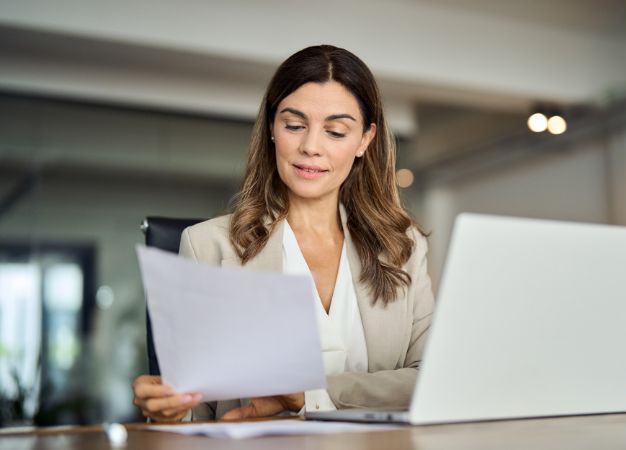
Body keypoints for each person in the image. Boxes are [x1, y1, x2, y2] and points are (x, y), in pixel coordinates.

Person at [131, 44, 435, 422]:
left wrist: (308, 394)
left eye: (336, 132)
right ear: (272, 128)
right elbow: (198, 414)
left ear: (365, 140)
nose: (310, 147)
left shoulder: (403, 247)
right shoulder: (207, 244)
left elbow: (429, 382)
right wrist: (167, 413)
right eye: (294, 125)